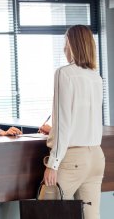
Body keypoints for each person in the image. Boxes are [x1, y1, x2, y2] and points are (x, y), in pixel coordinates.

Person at [39, 25, 105, 219]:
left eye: (64, 42)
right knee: (91, 216)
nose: (63, 48)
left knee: (46, 213)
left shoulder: (64, 73)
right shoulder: (96, 77)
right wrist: (53, 131)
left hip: (72, 160)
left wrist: (53, 164)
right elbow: (82, 119)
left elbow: (64, 122)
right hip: (95, 157)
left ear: (70, 43)